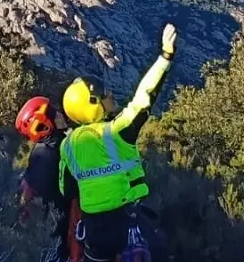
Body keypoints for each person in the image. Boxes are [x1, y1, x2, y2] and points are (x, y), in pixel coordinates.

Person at [59, 23, 177, 262]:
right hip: (128, 224)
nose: (110, 95)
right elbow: (144, 97)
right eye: (104, 94)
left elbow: (67, 189)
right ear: (93, 103)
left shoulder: (67, 145)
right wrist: (165, 57)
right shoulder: (117, 132)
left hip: (94, 232)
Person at [15, 96, 83, 262]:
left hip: (60, 230)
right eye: (54, 113)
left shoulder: (52, 148)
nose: (59, 114)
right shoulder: (47, 156)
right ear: (44, 124)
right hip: (59, 235)